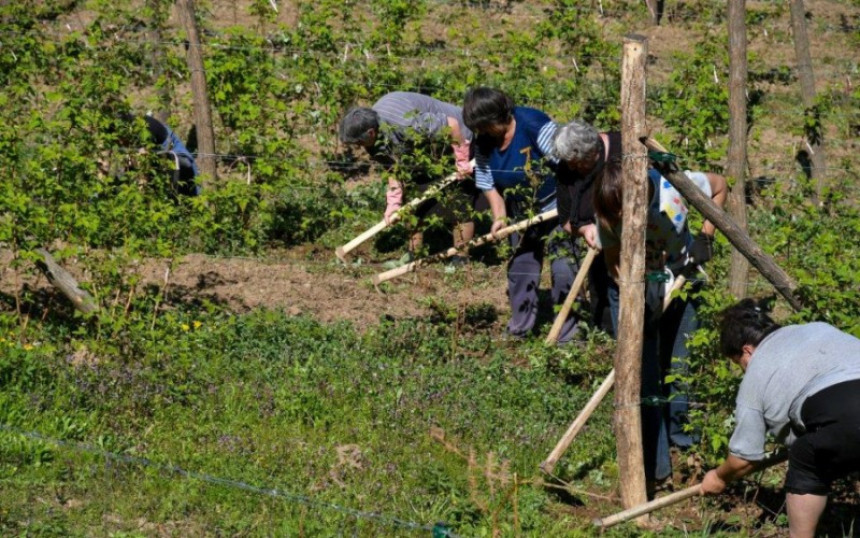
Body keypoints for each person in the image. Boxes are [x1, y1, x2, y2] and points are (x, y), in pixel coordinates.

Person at [593, 157, 727, 487]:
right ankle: (656, 467)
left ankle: (686, 448)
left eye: (623, 215)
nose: (617, 221)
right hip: (635, 283)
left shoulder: (673, 191)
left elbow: (721, 186)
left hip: (683, 274)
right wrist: (637, 299)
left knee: (678, 366)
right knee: (641, 374)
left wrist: (705, 238)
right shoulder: (607, 210)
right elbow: (613, 263)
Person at [702, 300, 860, 538]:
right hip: (846, 407)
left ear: (747, 350)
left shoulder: (755, 376)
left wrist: (718, 477)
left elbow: (744, 458)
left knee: (806, 459)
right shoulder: (817, 328)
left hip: (845, 413)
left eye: (738, 363)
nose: (743, 369)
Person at [462, 87, 579, 344]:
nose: (481, 133)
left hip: (559, 206)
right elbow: (486, 180)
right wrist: (500, 217)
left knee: (564, 268)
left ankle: (568, 335)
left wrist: (572, 211)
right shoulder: (483, 141)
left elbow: (570, 163)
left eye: (484, 126)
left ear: (498, 117)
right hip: (522, 210)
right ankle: (520, 329)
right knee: (520, 268)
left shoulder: (533, 124)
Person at [339, 92, 483, 266]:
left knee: (458, 199)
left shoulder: (406, 124)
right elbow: (393, 167)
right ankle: (414, 255)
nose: (359, 148)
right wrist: (394, 204)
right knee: (413, 198)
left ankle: (461, 257)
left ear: (370, 132)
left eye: (359, 143)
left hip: (458, 136)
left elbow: (451, 125)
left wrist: (461, 161)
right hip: (426, 148)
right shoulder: (375, 138)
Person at [551, 120, 619, 332]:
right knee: (602, 285)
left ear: (592, 153)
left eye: (576, 162)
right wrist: (584, 229)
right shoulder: (567, 169)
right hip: (598, 242)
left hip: (635, 238)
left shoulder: (623, 151)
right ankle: (607, 337)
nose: (571, 168)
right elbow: (565, 218)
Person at [119, 114, 201, 196]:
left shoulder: (144, 132)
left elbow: (144, 170)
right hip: (148, 146)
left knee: (187, 166)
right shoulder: (121, 128)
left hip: (166, 143)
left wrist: (141, 198)